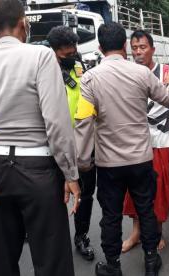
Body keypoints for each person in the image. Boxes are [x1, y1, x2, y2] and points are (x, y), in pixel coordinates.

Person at [0, 1, 81, 275]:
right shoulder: (40, 57)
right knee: (51, 257)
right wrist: (71, 174)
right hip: (39, 171)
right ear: (23, 22)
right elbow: (56, 123)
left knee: (2, 255)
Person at [74, 22, 169, 276]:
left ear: (100, 48)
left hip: (109, 164)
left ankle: (112, 266)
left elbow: (83, 123)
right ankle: (151, 261)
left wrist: (83, 163)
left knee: (110, 215)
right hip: (141, 160)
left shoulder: (90, 78)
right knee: (146, 209)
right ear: (124, 46)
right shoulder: (142, 74)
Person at [122, 30, 169, 253]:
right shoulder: (129, 73)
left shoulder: (167, 72)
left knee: (158, 189)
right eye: (135, 48)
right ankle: (136, 233)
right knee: (133, 189)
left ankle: (157, 232)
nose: (138, 52)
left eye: (143, 47)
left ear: (153, 49)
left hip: (161, 141)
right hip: (135, 143)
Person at [47, 25, 96, 261]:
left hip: (83, 144)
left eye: (75, 49)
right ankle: (52, 240)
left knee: (85, 195)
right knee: (55, 196)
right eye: (67, 53)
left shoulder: (79, 65)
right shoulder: (45, 72)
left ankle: (81, 236)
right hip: (54, 146)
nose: (73, 54)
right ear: (55, 51)